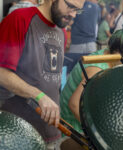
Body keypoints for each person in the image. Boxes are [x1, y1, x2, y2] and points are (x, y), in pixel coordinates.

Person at [0, 0, 85, 149]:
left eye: (77, 10)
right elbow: (2, 73)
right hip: (18, 134)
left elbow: (52, 78)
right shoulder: (20, 19)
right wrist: (38, 95)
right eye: (70, 6)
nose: (73, 15)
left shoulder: (61, 30)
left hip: (51, 132)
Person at [60, 18, 123, 134]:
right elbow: (74, 104)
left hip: (90, 111)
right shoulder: (95, 69)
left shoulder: (111, 55)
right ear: (116, 54)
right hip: (72, 123)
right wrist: (96, 134)